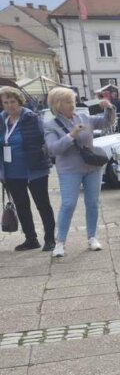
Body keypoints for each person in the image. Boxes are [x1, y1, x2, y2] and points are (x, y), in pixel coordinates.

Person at [43, 86, 114, 258]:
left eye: (72, 101)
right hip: (69, 170)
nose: (72, 105)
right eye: (68, 102)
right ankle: (60, 242)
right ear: (57, 105)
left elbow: (106, 122)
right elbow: (53, 149)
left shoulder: (83, 117)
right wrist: (71, 135)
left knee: (92, 202)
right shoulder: (51, 125)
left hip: (92, 168)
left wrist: (109, 108)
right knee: (68, 204)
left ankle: (92, 237)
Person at [0, 86, 56, 251]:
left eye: (12, 101)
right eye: (5, 102)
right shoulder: (1, 121)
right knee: (22, 206)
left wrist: (44, 154)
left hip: (35, 170)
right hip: (12, 172)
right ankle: (31, 239)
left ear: (19, 102)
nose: (9, 105)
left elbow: (46, 138)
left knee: (42, 205)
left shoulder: (31, 118)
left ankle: (50, 239)